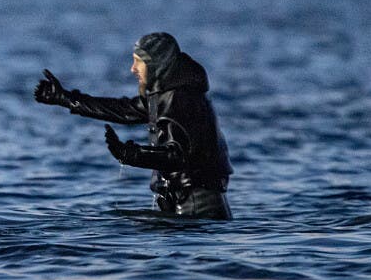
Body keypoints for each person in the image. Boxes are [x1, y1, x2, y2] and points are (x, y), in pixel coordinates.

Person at [34, 32, 233, 220]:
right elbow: (123, 110)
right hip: (186, 202)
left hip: (197, 206)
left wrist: (130, 154)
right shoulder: (165, 94)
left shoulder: (181, 98)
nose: (132, 68)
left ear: (157, 65)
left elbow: (177, 157)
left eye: (139, 62)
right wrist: (66, 99)